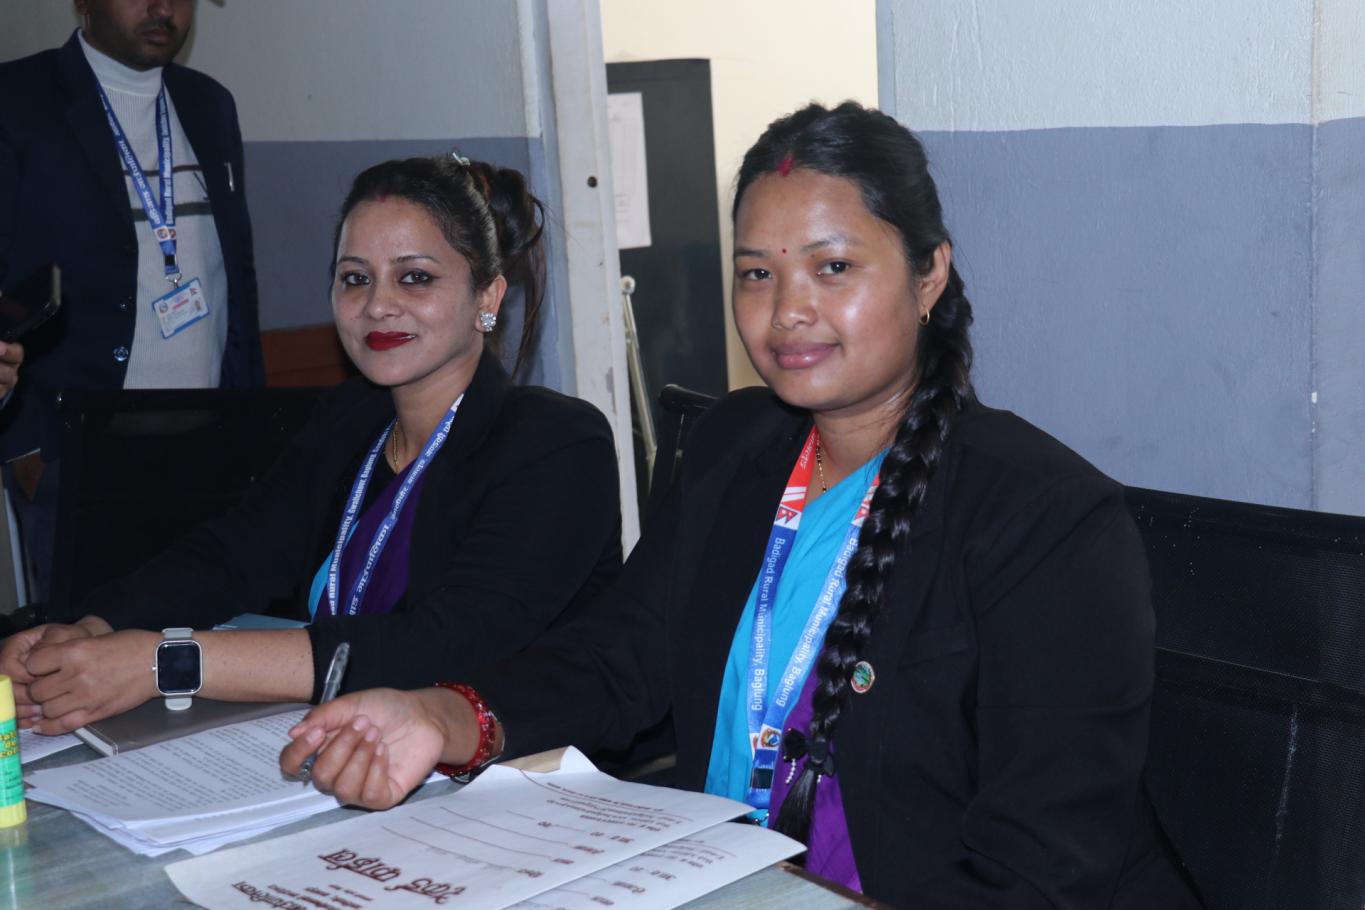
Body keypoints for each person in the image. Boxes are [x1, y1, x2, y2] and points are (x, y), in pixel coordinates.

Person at [280, 104, 1200, 908]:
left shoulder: (1044, 520)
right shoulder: (738, 448)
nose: (787, 310)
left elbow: (1042, 869)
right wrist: (444, 716)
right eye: (757, 274)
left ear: (928, 275)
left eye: (832, 267)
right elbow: (617, 657)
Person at [0, 154, 622, 737]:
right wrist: (92, 630)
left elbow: (445, 644)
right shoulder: (350, 417)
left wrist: (165, 662)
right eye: (355, 279)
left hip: (513, 771)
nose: (378, 305)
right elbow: (235, 555)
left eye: (415, 278)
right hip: (343, 741)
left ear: (487, 297)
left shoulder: (558, 444)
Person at [0, 0, 263, 601]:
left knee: (202, 637)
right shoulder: (18, 102)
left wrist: (252, 431)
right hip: (75, 455)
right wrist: (28, 450)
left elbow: (238, 279)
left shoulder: (209, 104)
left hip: (208, 448)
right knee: (86, 645)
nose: (162, 7)